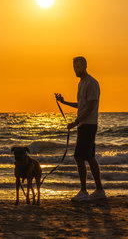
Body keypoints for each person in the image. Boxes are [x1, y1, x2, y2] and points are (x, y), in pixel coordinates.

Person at [55, 56, 106, 201]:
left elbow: (91, 106)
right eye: (74, 67)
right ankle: (99, 190)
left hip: (88, 125)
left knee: (78, 157)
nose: (75, 70)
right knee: (90, 157)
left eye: (77, 67)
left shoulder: (92, 83)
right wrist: (64, 102)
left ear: (84, 66)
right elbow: (81, 105)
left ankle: (83, 191)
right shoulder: (81, 83)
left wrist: (76, 122)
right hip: (85, 125)